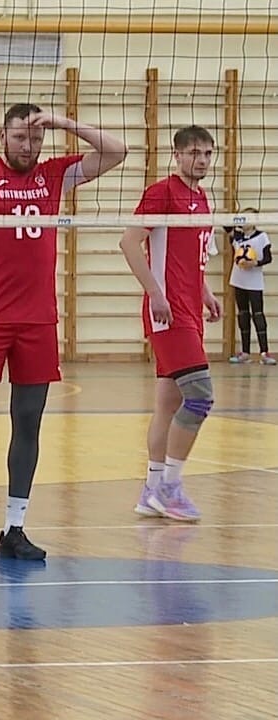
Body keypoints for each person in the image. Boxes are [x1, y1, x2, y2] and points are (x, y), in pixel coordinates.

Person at [0, 103, 128, 562]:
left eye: (36, 138)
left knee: (29, 421)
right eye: (20, 137)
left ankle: (14, 529)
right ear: (2, 136)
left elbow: (117, 151)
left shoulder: (55, 175)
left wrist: (64, 123)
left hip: (37, 320)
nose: (28, 146)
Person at [120, 125, 222, 522]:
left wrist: (205, 292)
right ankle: (170, 488)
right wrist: (156, 293)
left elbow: (194, 256)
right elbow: (129, 242)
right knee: (200, 397)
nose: (202, 160)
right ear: (177, 155)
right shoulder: (162, 192)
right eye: (194, 153)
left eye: (208, 153)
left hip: (190, 311)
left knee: (168, 404)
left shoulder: (202, 198)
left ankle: (151, 490)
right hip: (169, 313)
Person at [225, 210, 275, 365]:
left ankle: (264, 352)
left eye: (247, 218)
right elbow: (225, 224)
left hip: (254, 281)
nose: (244, 221)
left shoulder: (262, 236)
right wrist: (236, 221)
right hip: (238, 280)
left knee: (258, 315)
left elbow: (268, 258)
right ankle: (245, 352)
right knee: (243, 315)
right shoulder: (237, 236)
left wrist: (255, 263)